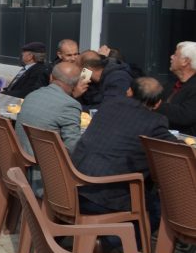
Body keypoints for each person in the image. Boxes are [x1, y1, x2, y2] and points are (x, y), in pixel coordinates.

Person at [74, 77, 177, 232]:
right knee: (159, 208)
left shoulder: (108, 105)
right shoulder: (155, 122)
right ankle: (107, 242)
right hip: (106, 197)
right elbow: (178, 150)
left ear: (129, 91)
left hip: (72, 184)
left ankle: (97, 239)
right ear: (157, 104)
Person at [13, 62, 87, 156]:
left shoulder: (32, 95)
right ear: (76, 84)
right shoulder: (70, 105)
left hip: (22, 158)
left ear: (51, 77)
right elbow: (72, 146)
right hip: (47, 166)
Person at [161, 41, 196, 132]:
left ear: (185, 61)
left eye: (175, 55)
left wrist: (156, 106)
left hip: (186, 142)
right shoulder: (171, 84)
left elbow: (185, 115)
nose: (171, 57)